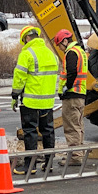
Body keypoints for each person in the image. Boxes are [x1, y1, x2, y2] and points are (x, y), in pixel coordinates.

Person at [11, 25, 59, 174]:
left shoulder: (27, 54)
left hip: (31, 101)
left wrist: (15, 95)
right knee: (48, 131)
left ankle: (29, 166)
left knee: (30, 132)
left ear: (26, 38)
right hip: (48, 101)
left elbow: (19, 77)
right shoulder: (51, 54)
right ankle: (49, 163)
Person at [54, 29, 87, 166]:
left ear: (65, 41)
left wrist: (66, 88)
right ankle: (79, 152)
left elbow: (72, 72)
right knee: (78, 125)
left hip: (72, 95)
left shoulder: (71, 53)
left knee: (71, 126)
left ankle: (75, 156)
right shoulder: (81, 52)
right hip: (80, 94)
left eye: (60, 46)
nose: (61, 49)